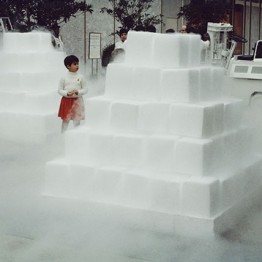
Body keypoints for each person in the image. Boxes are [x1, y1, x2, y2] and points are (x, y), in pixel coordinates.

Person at [58, 55, 88, 133]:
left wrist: (78, 92)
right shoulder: (63, 77)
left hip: (77, 101)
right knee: (65, 120)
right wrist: (67, 93)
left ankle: (77, 136)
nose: (77, 66)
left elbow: (85, 89)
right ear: (68, 66)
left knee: (77, 120)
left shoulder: (81, 77)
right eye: (74, 64)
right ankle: (63, 136)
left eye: (77, 64)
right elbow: (59, 90)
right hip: (66, 101)